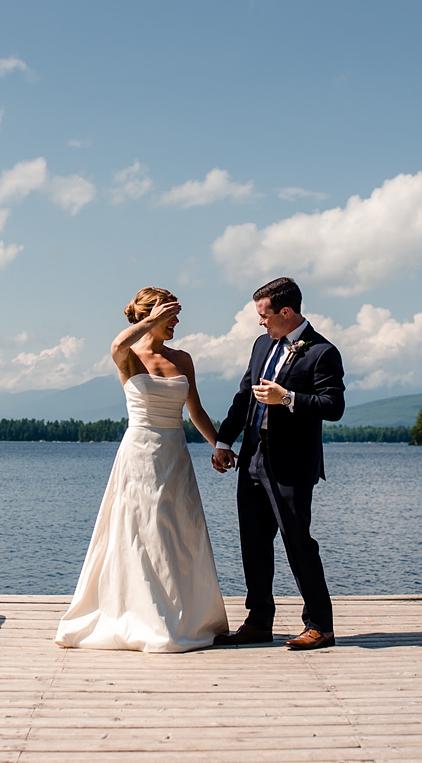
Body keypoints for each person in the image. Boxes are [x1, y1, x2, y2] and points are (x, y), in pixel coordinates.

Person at [55, 287, 230, 652]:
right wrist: (151, 322)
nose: (177, 323)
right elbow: (117, 344)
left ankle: (189, 617)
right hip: (140, 455)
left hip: (175, 455)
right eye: (171, 316)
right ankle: (146, 616)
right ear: (151, 316)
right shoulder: (128, 357)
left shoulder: (183, 358)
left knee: (180, 533)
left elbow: (194, 410)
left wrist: (219, 445)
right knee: (144, 532)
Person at [210, 277, 344, 650]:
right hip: (251, 459)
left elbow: (334, 407)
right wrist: (224, 441)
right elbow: (244, 397)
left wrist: (287, 398)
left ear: (286, 312)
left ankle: (320, 626)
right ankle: (258, 622)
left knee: (298, 542)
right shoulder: (260, 346)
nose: (260, 322)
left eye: (263, 315)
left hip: (291, 465)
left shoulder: (322, 352)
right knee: (253, 543)